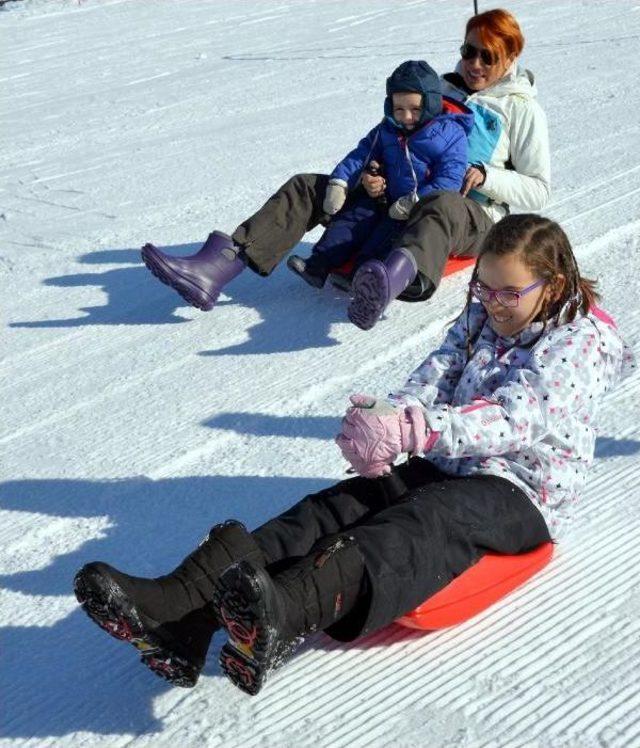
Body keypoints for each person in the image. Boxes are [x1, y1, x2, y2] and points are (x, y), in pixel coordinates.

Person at [75, 215, 633, 695]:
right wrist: (392, 417)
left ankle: (281, 613)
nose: (491, 303)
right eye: (484, 289)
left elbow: (515, 419)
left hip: (520, 489)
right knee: (336, 506)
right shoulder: (486, 309)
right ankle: (179, 610)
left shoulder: (579, 343)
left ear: (553, 285)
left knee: (417, 523)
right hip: (449, 459)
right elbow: (440, 371)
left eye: (508, 293)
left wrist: (415, 431)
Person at [141, 8, 551, 331]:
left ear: (512, 57)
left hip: (471, 216)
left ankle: (392, 280)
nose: (474, 63)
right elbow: (390, 139)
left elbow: (539, 189)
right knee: (307, 187)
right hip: (401, 193)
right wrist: (368, 174)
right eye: (468, 51)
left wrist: (487, 174)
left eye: (488, 56)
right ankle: (217, 267)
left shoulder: (521, 108)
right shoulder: (438, 89)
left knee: (439, 203)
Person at [286, 59, 472, 303]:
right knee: (352, 220)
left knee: (385, 238)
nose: (406, 116)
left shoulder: (451, 135)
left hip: (416, 208)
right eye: (399, 109)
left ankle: (359, 276)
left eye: (415, 109)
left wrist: (413, 202)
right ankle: (318, 265)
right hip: (384, 196)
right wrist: (340, 180)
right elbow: (362, 153)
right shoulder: (388, 129)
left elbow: (449, 179)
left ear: (431, 103)